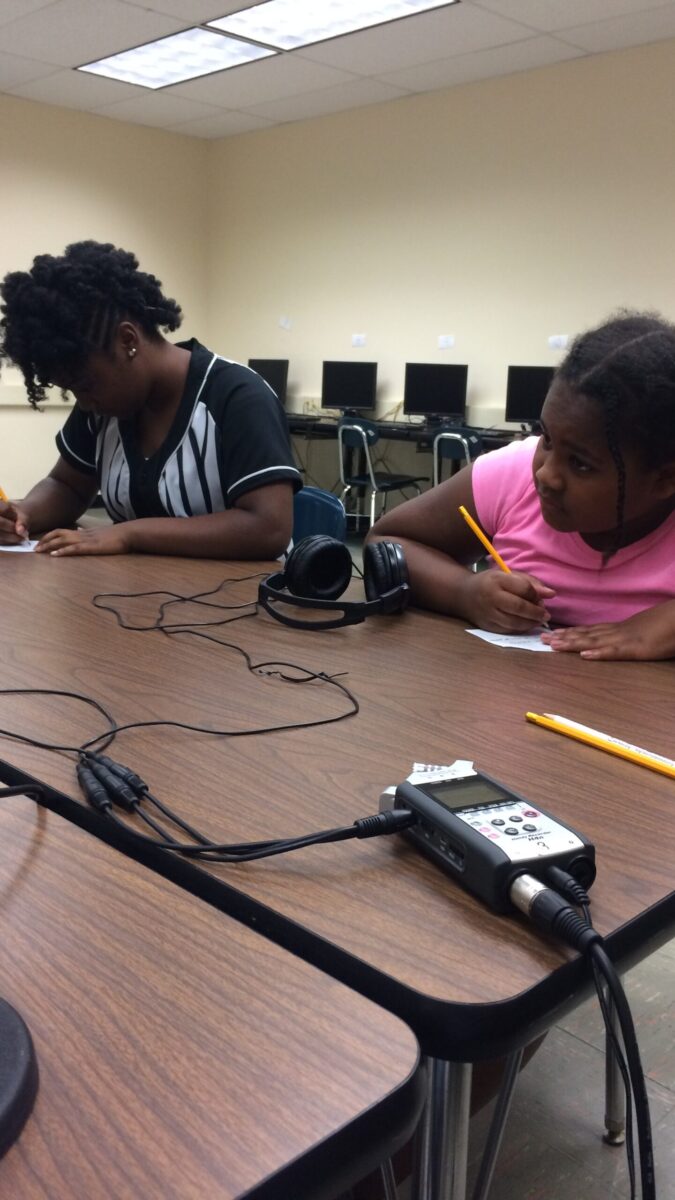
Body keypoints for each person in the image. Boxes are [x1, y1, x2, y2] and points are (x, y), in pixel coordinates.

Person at [369, 311, 675, 661]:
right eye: (545, 437)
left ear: (665, 479)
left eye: (580, 463)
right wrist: (463, 592)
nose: (545, 474)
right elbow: (386, 541)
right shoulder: (513, 475)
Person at [0, 241, 301, 559]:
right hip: (142, 594)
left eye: (86, 385)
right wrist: (24, 513)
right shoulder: (104, 407)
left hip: (245, 598)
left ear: (127, 340)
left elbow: (268, 528)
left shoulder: (238, 396)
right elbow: (67, 486)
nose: (84, 402)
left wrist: (129, 533)